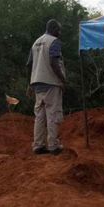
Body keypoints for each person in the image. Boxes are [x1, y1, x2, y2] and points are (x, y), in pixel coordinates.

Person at [26, 19, 66, 154]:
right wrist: (62, 79)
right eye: (59, 30)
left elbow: (29, 64)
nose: (59, 33)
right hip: (51, 83)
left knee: (39, 115)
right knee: (52, 114)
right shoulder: (54, 42)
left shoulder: (35, 43)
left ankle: (38, 145)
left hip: (37, 84)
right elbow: (54, 62)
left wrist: (29, 83)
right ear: (54, 29)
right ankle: (53, 145)